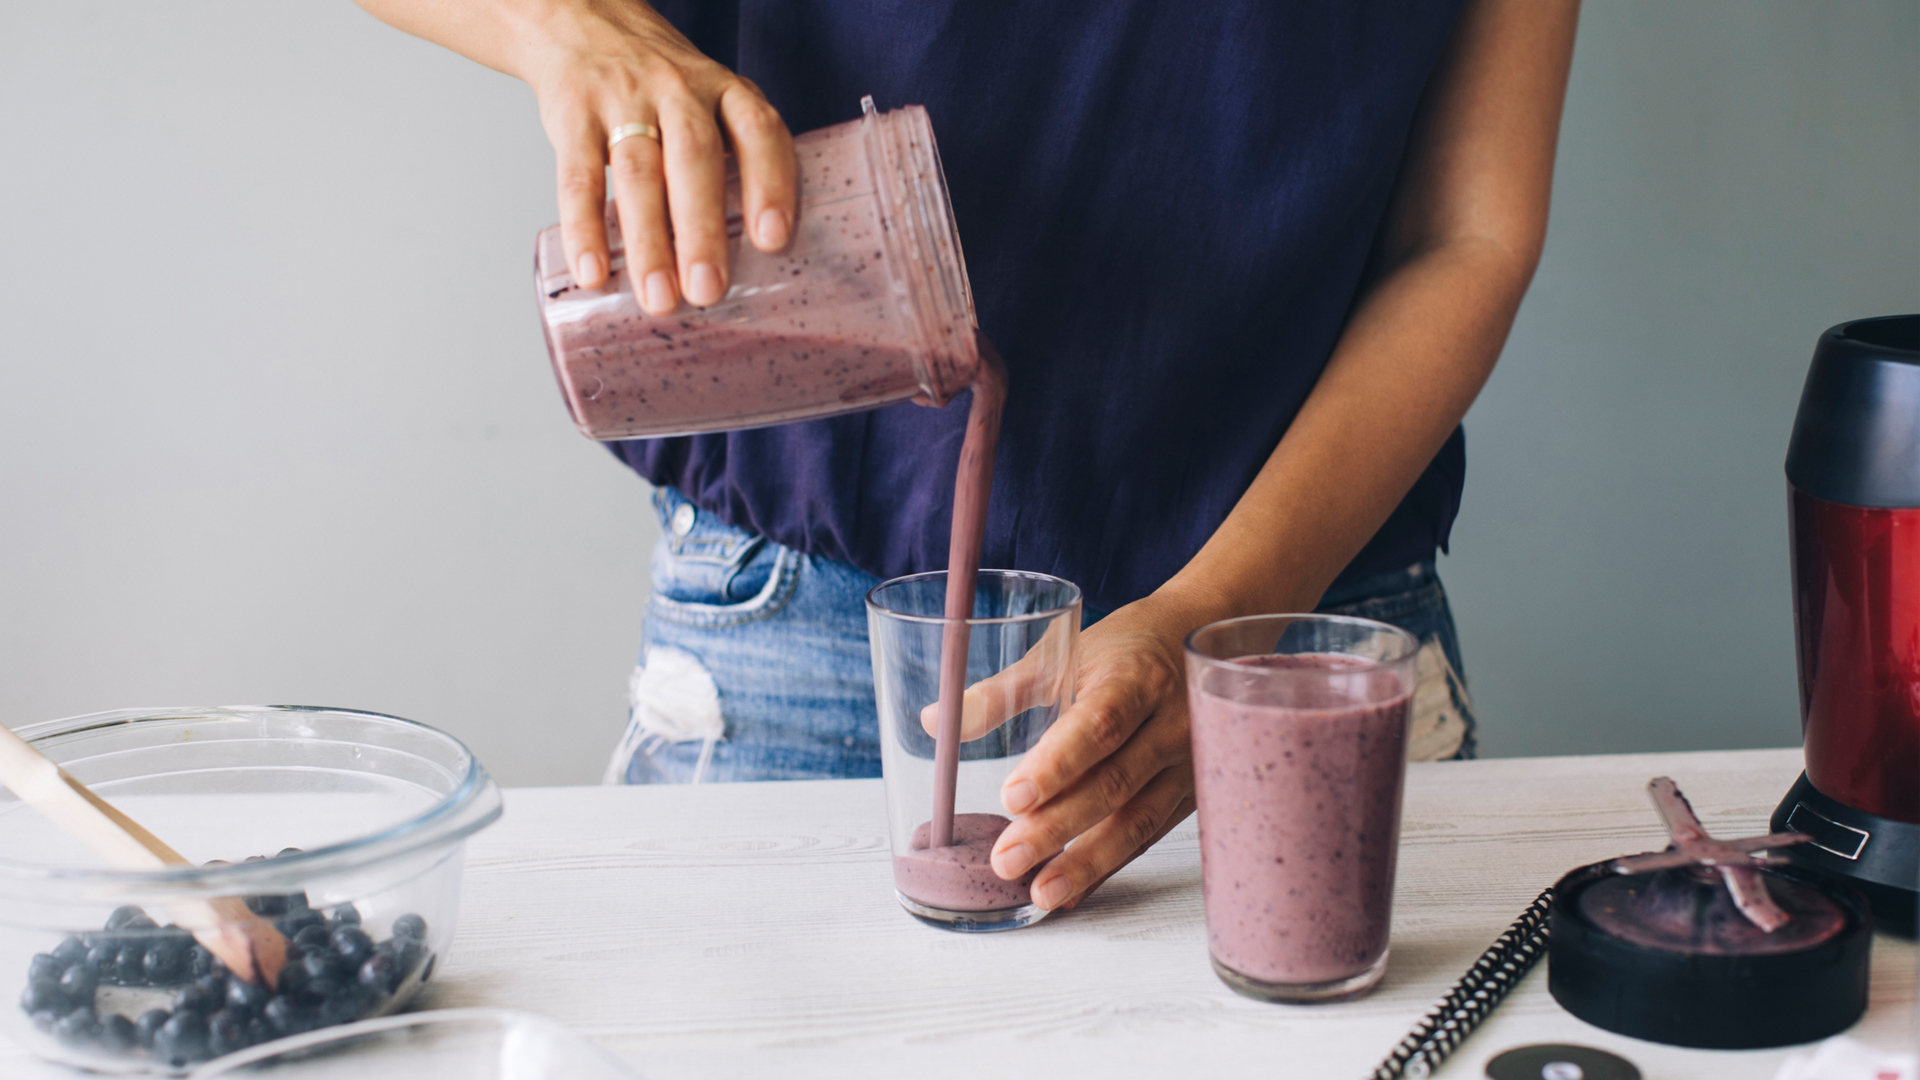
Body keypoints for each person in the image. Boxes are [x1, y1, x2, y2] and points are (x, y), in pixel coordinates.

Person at [354, 0, 1579, 913]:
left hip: (1293, 638)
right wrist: (569, 26)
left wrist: (1220, 607)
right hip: (808, 638)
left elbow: (1464, 233)